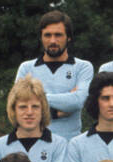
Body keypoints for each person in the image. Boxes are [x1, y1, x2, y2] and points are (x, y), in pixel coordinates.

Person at [14, 9, 93, 140]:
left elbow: (78, 101)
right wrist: (58, 111)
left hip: (70, 146)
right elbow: (18, 107)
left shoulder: (83, 67)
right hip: (34, 142)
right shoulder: (26, 68)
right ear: (41, 37)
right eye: (47, 35)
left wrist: (36, 96)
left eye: (58, 35)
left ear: (69, 37)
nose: (52, 41)